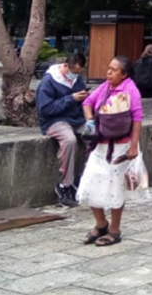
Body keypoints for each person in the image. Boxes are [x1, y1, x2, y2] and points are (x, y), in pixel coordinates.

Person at [78, 55, 146, 247]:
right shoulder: (105, 87)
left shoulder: (131, 90)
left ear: (124, 75)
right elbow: (87, 103)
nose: (109, 72)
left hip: (121, 147)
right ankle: (101, 224)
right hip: (101, 144)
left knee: (116, 186)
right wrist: (90, 121)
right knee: (91, 181)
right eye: (108, 68)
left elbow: (137, 118)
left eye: (114, 70)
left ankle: (115, 230)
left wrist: (134, 145)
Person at [36, 53, 90, 207]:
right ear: (66, 66)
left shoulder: (76, 80)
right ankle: (64, 185)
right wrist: (71, 98)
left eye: (79, 73)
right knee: (69, 140)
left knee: (95, 136)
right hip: (54, 121)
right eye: (74, 72)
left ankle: (84, 177)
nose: (76, 76)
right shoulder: (49, 82)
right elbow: (45, 109)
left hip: (75, 119)